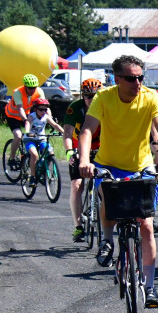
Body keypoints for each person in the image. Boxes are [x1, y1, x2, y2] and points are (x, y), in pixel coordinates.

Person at [78, 55, 158, 309]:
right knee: (108, 196)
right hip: (108, 163)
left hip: (141, 165)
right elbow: (87, 130)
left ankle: (151, 286)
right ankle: (107, 240)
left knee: (147, 226)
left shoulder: (150, 97)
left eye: (141, 77)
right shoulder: (103, 97)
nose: (138, 82)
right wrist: (84, 160)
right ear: (117, 79)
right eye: (131, 78)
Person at [63, 78, 104, 241]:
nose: (91, 99)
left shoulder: (105, 108)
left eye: (95, 96)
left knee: (106, 185)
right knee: (77, 185)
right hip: (79, 147)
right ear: (82, 96)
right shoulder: (75, 109)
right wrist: (69, 153)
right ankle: (78, 226)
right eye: (88, 96)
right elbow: (67, 133)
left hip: (100, 146)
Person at [4, 74, 46, 168]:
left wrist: (49, 117)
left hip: (25, 114)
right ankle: (12, 158)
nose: (32, 90)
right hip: (12, 116)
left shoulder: (39, 91)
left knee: (34, 133)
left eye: (34, 88)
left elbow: (44, 106)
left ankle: (29, 155)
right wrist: (26, 120)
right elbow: (20, 109)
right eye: (30, 88)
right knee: (18, 136)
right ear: (25, 87)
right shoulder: (18, 93)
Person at [22, 98, 65, 187]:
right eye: (41, 109)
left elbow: (55, 125)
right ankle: (33, 177)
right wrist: (27, 132)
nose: (43, 112)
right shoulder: (32, 116)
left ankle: (45, 171)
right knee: (34, 155)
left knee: (50, 152)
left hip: (41, 139)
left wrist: (64, 132)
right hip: (30, 139)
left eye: (45, 110)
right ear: (35, 109)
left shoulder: (46, 117)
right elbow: (27, 123)